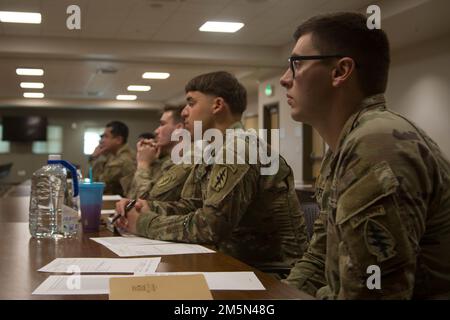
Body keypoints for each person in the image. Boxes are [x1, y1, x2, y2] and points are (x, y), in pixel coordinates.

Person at [279, 12, 450, 299]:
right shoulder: (345, 148)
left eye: (296, 64)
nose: (285, 79)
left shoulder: (376, 142)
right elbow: (319, 259)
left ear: (340, 71)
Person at [115, 71, 308, 270]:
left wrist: (143, 223)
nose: (184, 112)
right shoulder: (212, 150)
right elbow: (192, 205)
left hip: (272, 273)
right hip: (236, 263)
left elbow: (209, 226)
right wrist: (144, 207)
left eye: (191, 103)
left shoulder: (238, 149)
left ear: (217, 105)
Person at [123, 105, 191, 201]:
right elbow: (131, 196)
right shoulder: (164, 160)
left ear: (179, 129)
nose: (156, 131)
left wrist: (143, 164)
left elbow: (145, 202)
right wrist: (151, 162)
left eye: (162, 124)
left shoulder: (184, 162)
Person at [89, 121, 135, 196]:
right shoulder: (112, 155)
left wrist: (96, 158)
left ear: (118, 140)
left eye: (106, 136)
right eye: (102, 137)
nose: (101, 140)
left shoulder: (123, 160)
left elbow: (99, 185)